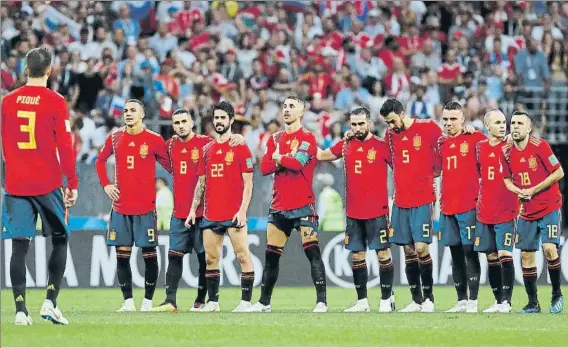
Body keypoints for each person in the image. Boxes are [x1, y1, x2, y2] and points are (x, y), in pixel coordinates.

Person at [1, 46, 78, 325]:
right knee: (60, 238)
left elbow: (4, 145)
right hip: (47, 183)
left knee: (19, 245)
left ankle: (20, 311)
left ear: (25, 69)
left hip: (16, 184)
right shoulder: (56, 101)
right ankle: (50, 301)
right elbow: (65, 146)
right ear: (49, 70)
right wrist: (73, 182)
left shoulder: (7, 101)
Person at [152, 108, 244, 312]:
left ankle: (202, 299)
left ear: (192, 122)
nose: (180, 126)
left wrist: (237, 137)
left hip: (204, 214)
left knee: (205, 257)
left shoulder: (205, 143)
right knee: (174, 255)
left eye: (184, 121)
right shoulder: (170, 146)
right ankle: (170, 301)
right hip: (179, 213)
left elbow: (225, 144)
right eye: (176, 123)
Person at [249, 96, 327, 313]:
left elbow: (298, 163)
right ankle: (264, 303)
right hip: (279, 206)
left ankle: (321, 302)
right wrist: (284, 157)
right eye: (284, 106)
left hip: (303, 205)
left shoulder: (307, 138)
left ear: (301, 111)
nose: (286, 110)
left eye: (292, 106)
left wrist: (278, 158)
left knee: (313, 253)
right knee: (271, 257)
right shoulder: (274, 138)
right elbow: (264, 168)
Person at [95, 99, 171, 312]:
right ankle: (128, 301)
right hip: (121, 208)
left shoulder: (154, 140)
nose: (128, 113)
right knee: (122, 255)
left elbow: (170, 166)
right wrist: (106, 184)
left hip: (146, 208)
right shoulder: (115, 138)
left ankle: (147, 301)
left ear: (142, 115)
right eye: (126, 110)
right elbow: (100, 161)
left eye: (133, 110)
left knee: (149, 255)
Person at [317, 107, 396, 313]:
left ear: (369, 123)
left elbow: (400, 167)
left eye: (361, 123)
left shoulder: (381, 146)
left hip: (377, 211)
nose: (358, 127)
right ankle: (362, 302)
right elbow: (323, 155)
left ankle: (386, 299)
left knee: (382, 254)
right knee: (357, 256)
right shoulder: (345, 145)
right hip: (353, 211)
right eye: (354, 124)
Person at [185, 101, 255, 313]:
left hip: (233, 213)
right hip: (211, 213)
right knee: (211, 258)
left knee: (242, 255)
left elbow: (248, 183)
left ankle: (245, 302)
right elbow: (201, 183)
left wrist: (242, 210)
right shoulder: (206, 149)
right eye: (216, 118)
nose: (219, 121)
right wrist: (192, 210)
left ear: (231, 120)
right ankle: (213, 302)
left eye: (223, 118)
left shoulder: (240, 147)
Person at [380, 98, 442, 312]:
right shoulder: (389, 135)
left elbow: (445, 148)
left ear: (403, 113)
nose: (391, 126)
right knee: (407, 250)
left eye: (393, 121)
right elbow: (386, 157)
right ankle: (416, 301)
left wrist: (435, 170)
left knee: (421, 248)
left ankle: (429, 299)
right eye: (387, 122)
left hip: (423, 198)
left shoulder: (428, 128)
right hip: (400, 200)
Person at [502, 110, 564, 314]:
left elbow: (559, 172)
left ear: (529, 128)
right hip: (526, 210)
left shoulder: (540, 146)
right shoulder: (507, 152)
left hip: (549, 206)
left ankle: (556, 294)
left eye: (520, 123)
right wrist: (518, 191)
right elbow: (507, 180)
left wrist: (533, 190)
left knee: (549, 249)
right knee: (526, 257)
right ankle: (533, 303)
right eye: (513, 123)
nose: (516, 126)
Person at [437, 101, 485, 313]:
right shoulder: (440, 142)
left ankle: (473, 301)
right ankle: (462, 301)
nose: (449, 123)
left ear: (463, 119)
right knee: (455, 254)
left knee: (470, 251)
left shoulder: (475, 138)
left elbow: (495, 146)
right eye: (446, 119)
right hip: (447, 207)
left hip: (469, 206)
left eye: (453, 119)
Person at [474, 110, 517, 313]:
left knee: (504, 253)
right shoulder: (480, 147)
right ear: (487, 126)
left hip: (506, 211)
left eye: (504, 122)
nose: (503, 126)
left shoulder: (511, 147)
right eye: (497, 122)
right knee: (491, 256)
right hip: (485, 211)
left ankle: (507, 303)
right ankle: (498, 301)